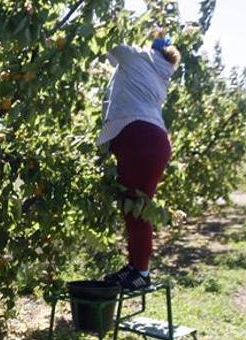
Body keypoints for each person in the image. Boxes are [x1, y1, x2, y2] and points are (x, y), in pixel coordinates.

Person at [98, 36, 181, 290]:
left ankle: (141, 272)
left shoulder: (139, 58)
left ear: (152, 49)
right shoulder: (160, 72)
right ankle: (135, 268)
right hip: (149, 141)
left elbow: (105, 39)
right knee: (132, 207)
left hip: (140, 140)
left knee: (137, 208)